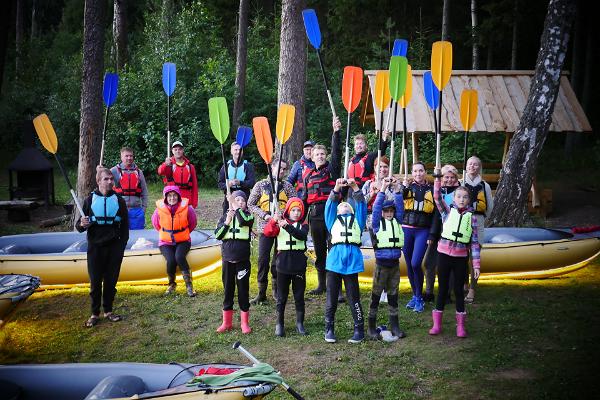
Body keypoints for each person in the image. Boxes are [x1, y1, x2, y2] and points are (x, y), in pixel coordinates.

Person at [429, 168, 481, 338]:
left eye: (465, 197)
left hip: (460, 258)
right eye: (458, 196)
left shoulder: (472, 217)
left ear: (468, 200)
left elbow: (474, 242)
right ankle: (437, 324)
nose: (461, 199)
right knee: (442, 289)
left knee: (458, 290)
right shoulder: (446, 212)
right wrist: (438, 179)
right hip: (443, 255)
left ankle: (460, 326)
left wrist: (476, 265)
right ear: (454, 198)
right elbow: (436, 197)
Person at [76, 167, 129, 328]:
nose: (110, 181)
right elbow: (79, 226)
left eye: (111, 179)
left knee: (111, 281)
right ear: (98, 181)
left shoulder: (119, 200)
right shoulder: (89, 200)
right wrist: (81, 224)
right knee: (95, 281)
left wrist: (121, 246)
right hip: (95, 247)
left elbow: (125, 227)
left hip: (114, 247)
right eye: (106, 179)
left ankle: (109, 310)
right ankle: (94, 313)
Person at [323, 178, 367, 344]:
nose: (343, 206)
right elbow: (330, 206)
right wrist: (336, 188)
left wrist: (355, 187)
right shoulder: (332, 220)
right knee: (331, 296)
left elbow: (361, 205)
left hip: (352, 260)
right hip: (335, 261)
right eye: (341, 205)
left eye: (347, 205)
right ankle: (329, 329)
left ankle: (359, 329)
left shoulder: (358, 220)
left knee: (353, 296)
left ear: (352, 209)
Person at [247, 159, 296, 304]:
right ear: (272, 167)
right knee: (263, 260)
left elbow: (295, 204)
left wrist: (284, 216)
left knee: (278, 260)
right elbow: (251, 204)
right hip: (265, 228)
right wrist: (266, 216)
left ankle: (276, 290)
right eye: (279, 168)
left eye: (284, 169)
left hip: (282, 228)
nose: (282, 171)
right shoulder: (260, 185)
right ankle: (261, 292)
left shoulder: (287, 186)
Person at [303, 117, 342, 296]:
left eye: (322, 154)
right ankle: (321, 284)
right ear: (312, 156)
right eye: (316, 154)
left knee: (333, 247)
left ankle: (337, 287)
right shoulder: (308, 175)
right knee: (319, 249)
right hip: (315, 214)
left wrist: (336, 133)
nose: (319, 156)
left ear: (325, 156)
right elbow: (304, 199)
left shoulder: (332, 169)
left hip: (331, 213)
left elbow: (337, 153)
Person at [263, 197, 309, 336]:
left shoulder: (304, 224)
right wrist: (273, 221)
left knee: (299, 296)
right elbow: (267, 232)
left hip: (299, 265)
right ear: (288, 210)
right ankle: (279, 324)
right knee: (281, 297)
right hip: (283, 265)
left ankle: (300, 323)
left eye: (298, 210)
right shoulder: (279, 223)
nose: (296, 213)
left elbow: (301, 236)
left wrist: (287, 226)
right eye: (293, 210)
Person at [367, 177, 406, 340]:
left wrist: (397, 190)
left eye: (391, 211)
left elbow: (401, 208)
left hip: (394, 265)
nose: (389, 213)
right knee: (376, 295)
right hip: (381, 266)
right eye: (386, 211)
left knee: (393, 295)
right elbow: (376, 208)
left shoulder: (398, 221)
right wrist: (382, 189)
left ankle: (395, 325)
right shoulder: (377, 224)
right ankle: (370, 326)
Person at [214, 190, 255, 334]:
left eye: (242, 201)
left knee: (243, 290)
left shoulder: (248, 216)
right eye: (237, 200)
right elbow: (218, 235)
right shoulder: (225, 217)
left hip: (242, 260)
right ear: (231, 202)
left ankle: (244, 323)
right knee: (228, 290)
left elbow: (244, 221)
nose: (240, 202)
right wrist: (226, 222)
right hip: (227, 260)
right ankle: (227, 322)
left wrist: (236, 208)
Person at [423, 164, 460, 303]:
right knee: (429, 262)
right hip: (437, 230)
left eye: (452, 177)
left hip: (451, 233)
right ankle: (429, 291)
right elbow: (435, 213)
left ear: (455, 178)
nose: (449, 180)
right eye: (446, 177)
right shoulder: (438, 191)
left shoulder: (459, 192)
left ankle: (446, 294)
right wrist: (432, 234)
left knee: (448, 265)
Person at [152, 185, 198, 297]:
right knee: (171, 260)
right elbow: (156, 224)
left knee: (179, 257)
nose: (172, 198)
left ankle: (189, 285)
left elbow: (192, 223)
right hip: (165, 243)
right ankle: (172, 284)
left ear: (178, 196)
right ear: (165, 198)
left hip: (183, 241)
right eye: (169, 196)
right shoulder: (159, 210)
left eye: (174, 195)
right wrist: (167, 234)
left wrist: (182, 234)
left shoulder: (188, 209)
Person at [401, 162, 434, 313]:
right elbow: (399, 200)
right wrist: (403, 187)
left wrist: (432, 233)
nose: (418, 173)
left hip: (423, 230)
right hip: (407, 229)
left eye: (421, 171)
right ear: (412, 173)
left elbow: (435, 215)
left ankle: (419, 297)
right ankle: (415, 296)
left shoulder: (432, 190)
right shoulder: (407, 188)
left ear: (425, 172)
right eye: (415, 171)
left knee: (415, 263)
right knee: (409, 264)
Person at [463, 156, 493, 304]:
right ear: (466, 166)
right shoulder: (461, 183)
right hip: (463, 223)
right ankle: (464, 284)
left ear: (479, 167)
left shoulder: (484, 185)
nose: (472, 167)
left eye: (475, 165)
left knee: (474, 259)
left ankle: (472, 289)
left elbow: (490, 207)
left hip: (478, 222)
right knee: (462, 257)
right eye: (470, 164)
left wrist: (481, 220)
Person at [157, 141, 199, 208]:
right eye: (175, 149)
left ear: (183, 150)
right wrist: (165, 164)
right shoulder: (169, 165)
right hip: (172, 199)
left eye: (179, 149)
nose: (177, 151)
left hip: (187, 200)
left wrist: (194, 203)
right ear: (172, 151)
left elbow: (195, 186)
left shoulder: (190, 167)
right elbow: (160, 171)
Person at [218, 142, 256, 214]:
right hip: (229, 197)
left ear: (242, 152)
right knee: (227, 220)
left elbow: (252, 183)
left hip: (244, 198)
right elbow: (220, 184)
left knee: (243, 221)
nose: (238, 152)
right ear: (231, 151)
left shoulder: (248, 165)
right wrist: (228, 185)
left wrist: (240, 183)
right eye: (235, 150)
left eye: (240, 150)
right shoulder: (226, 166)